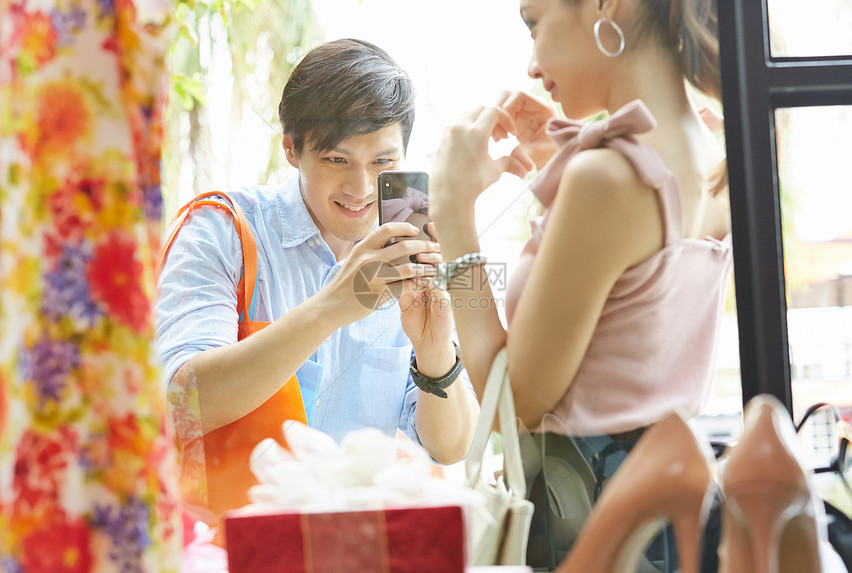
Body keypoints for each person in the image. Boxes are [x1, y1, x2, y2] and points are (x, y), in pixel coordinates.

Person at [428, 0, 730, 569]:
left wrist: (453, 217)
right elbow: (633, 326)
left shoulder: (606, 180)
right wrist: (559, 158)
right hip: (661, 525)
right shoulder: (709, 152)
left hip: (586, 527)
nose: (531, 66)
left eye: (533, 24)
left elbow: (510, 404)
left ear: (606, 6)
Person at [155, 38, 479, 518]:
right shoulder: (220, 227)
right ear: (292, 148)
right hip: (229, 547)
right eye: (337, 160)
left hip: (354, 546)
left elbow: (452, 448)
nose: (361, 188)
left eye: (383, 163)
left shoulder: (414, 245)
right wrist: (331, 308)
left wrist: (435, 352)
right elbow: (178, 404)